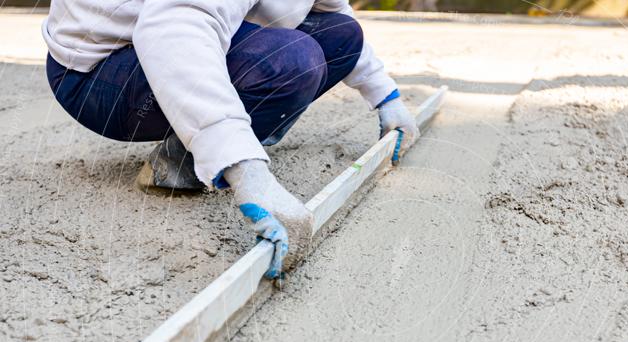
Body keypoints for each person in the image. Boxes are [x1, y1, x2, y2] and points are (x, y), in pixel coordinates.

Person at [43, 0, 419, 278]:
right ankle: (187, 158)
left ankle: (199, 140)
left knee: (340, 35)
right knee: (293, 61)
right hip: (97, 71)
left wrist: (386, 95)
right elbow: (175, 30)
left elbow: (333, 14)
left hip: (169, 30)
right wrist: (245, 168)